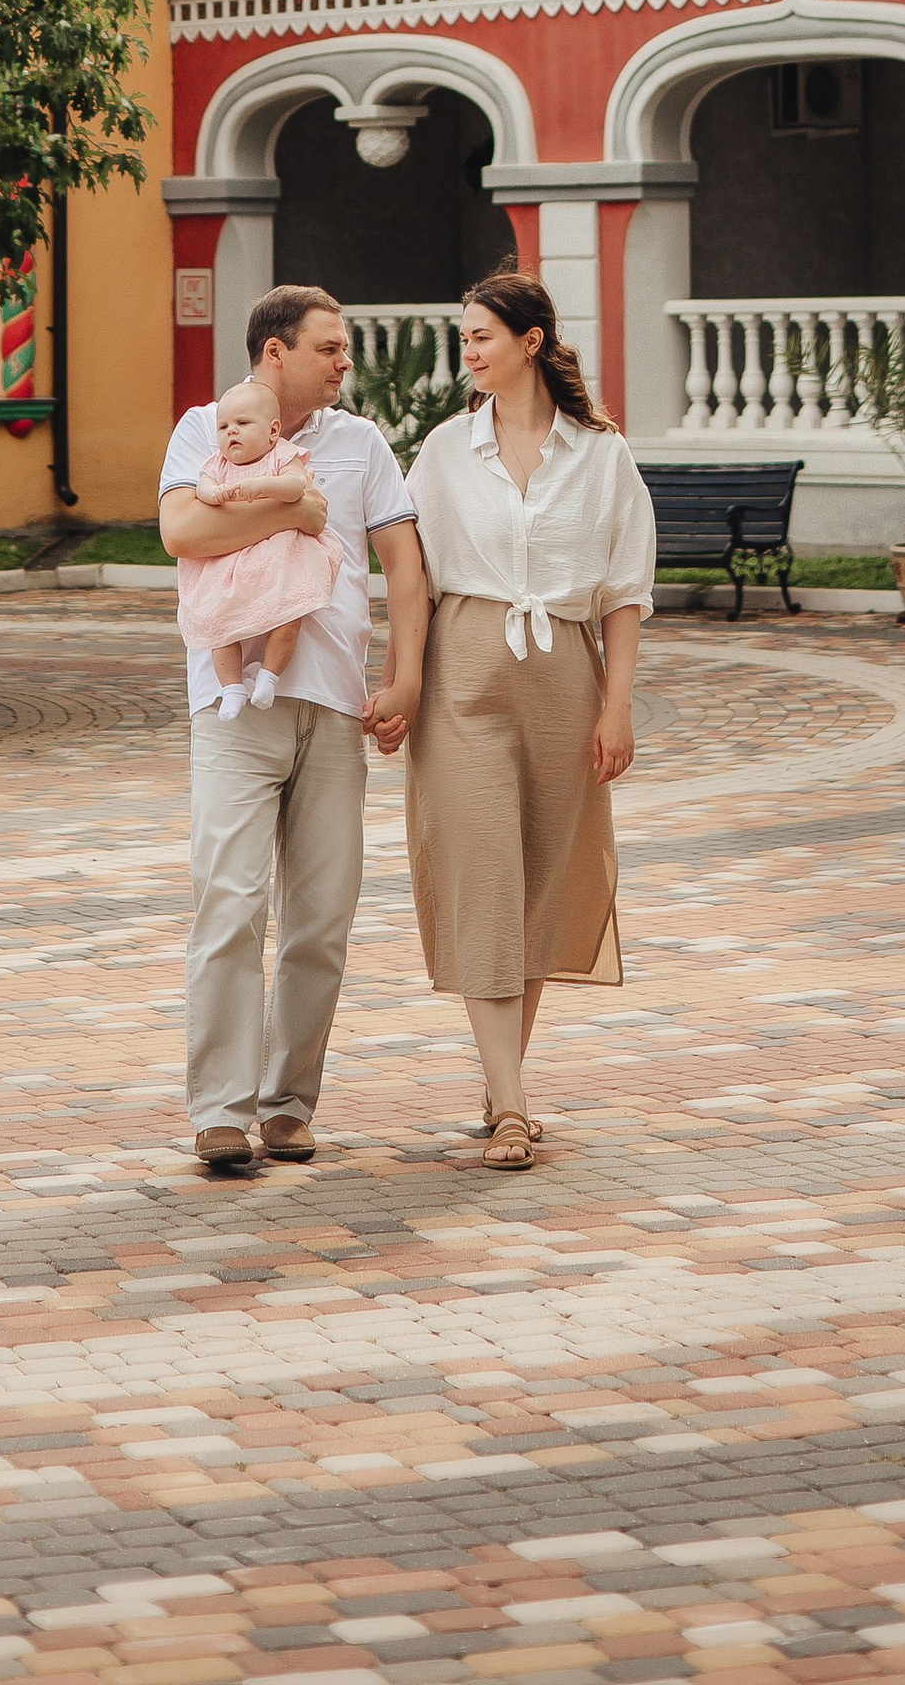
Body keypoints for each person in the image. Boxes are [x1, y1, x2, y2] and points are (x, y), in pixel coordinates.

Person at [159, 284, 427, 1174]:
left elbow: (404, 563)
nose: (344, 362)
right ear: (275, 353)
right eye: (329, 347)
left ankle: (287, 1106)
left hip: (335, 702)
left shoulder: (360, 444)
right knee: (230, 901)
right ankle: (220, 1113)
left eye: (343, 348)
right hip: (233, 703)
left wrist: (407, 677)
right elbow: (181, 531)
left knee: (321, 917)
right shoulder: (208, 428)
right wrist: (295, 511)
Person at [395, 270, 656, 1170]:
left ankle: (502, 1078)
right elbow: (408, 583)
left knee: (541, 877)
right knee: (483, 874)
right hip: (462, 670)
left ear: (530, 343)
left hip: (564, 676)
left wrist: (616, 707)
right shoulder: (440, 451)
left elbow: (624, 594)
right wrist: (396, 685)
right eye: (463, 338)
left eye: (481, 337)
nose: (468, 352)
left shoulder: (602, 455)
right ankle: (510, 1104)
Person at [178, 381, 344, 718]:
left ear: (272, 432)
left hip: (278, 560)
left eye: (242, 424)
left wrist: (261, 485)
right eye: (223, 427)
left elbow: (296, 486)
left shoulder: (283, 455)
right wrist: (212, 494)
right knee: (218, 628)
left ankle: (269, 676)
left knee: (288, 619)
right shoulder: (218, 463)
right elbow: (204, 485)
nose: (231, 433)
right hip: (233, 566)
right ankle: (232, 687)